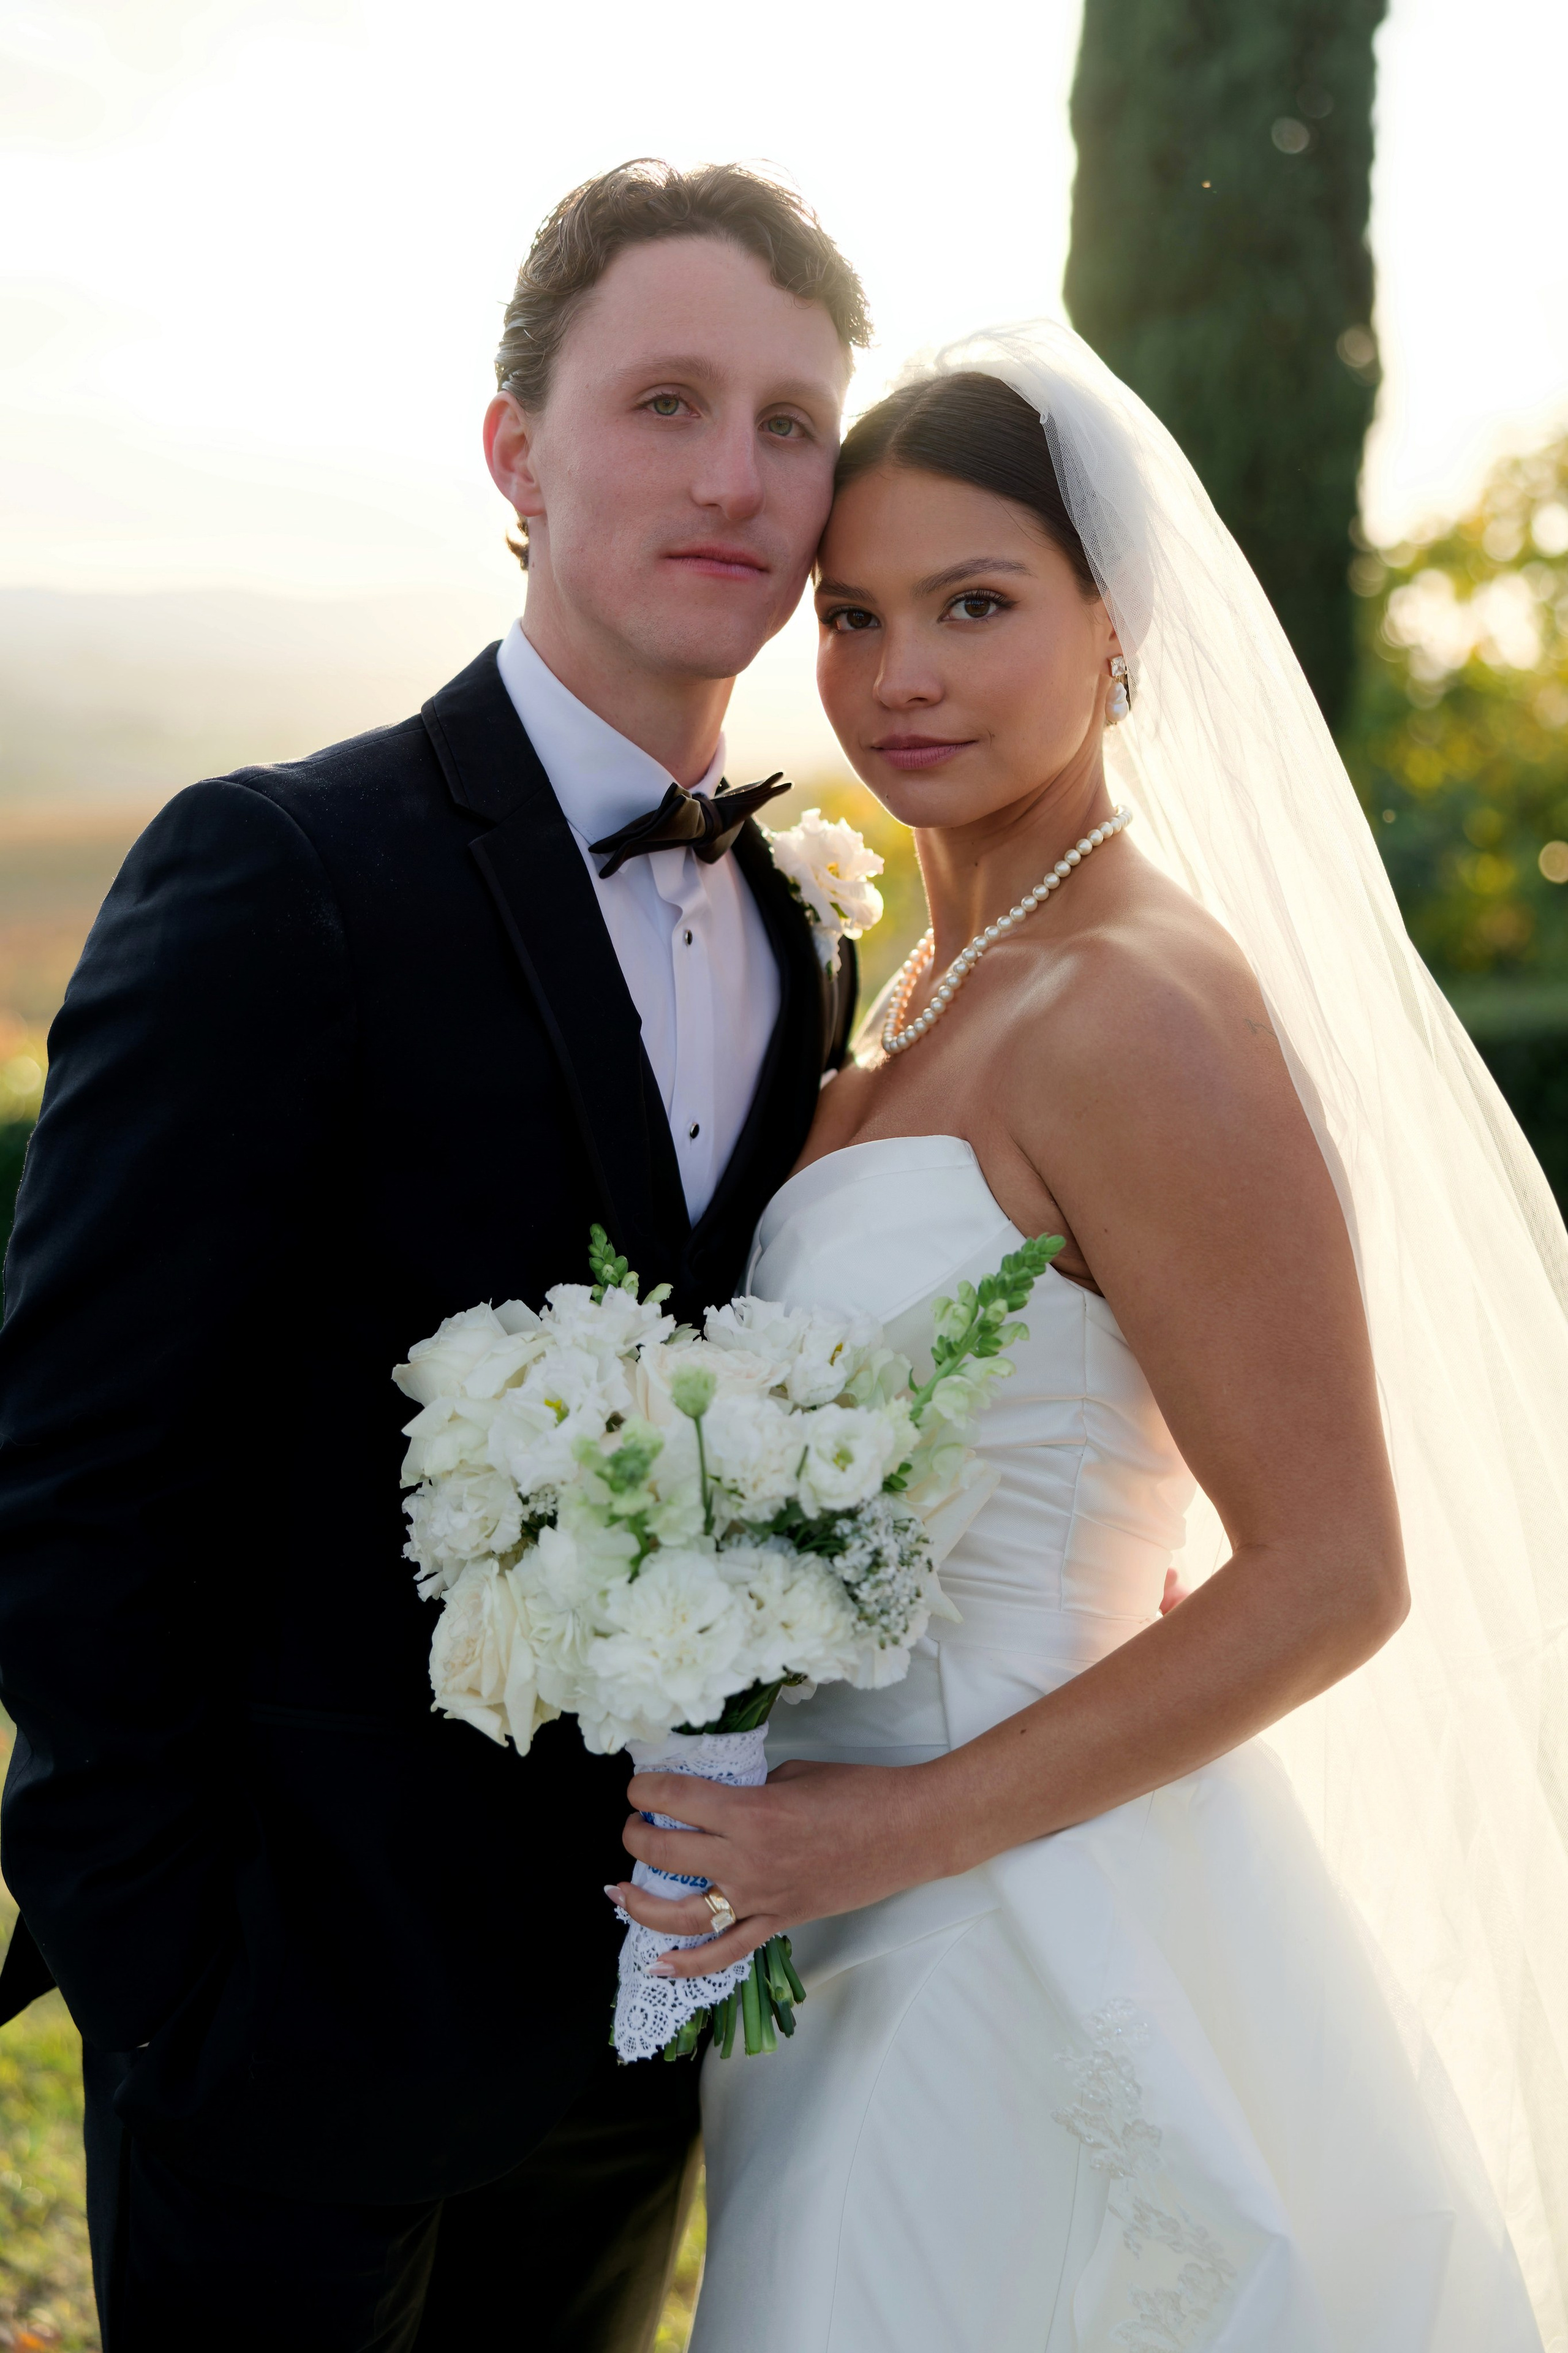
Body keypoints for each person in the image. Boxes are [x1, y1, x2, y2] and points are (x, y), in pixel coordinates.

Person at [612, 336, 1568, 2347]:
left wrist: (877, 1830)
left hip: (1007, 1927)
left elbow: (1332, 1573)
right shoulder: (912, 984)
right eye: (857, 617)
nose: (904, 679)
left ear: (1119, 628)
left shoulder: (1139, 1003)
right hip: (828, 1917)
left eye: (979, 608)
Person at [0, 159, 867, 2351]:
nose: (736, 474)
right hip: (285, 2032)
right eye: (667, 398)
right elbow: (79, 1469)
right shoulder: (280, 869)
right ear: (516, 448)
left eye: (791, 422)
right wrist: (168, 1977)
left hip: (633, 2026)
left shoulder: (801, 926)